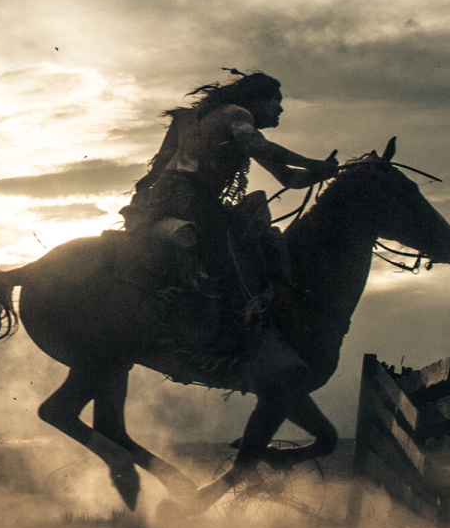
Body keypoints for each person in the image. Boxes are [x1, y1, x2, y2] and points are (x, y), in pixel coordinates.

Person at [122, 71, 337, 357]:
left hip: (181, 198)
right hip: (190, 199)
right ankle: (237, 319)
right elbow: (257, 146)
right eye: (276, 101)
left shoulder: (234, 126)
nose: (281, 110)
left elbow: (289, 179)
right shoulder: (236, 114)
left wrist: (321, 172)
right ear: (257, 100)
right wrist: (312, 162)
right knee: (239, 249)